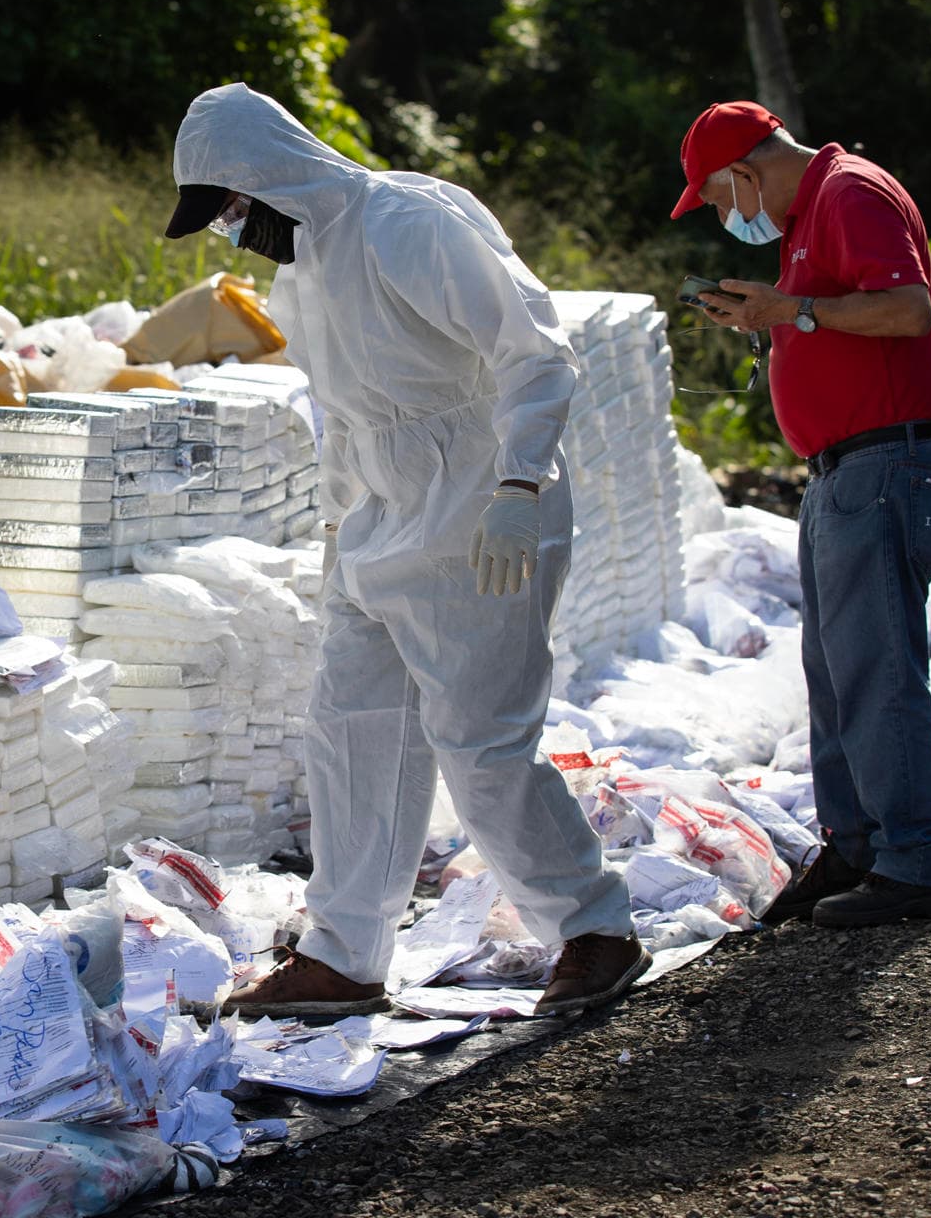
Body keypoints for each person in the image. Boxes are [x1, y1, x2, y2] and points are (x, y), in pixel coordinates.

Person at [163, 83, 647, 1018]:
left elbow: (535, 354)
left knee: (480, 739)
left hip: (480, 504)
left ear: (269, 174)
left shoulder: (405, 223)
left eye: (229, 205)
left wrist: (520, 484)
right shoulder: (302, 274)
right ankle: (345, 955)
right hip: (380, 520)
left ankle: (598, 931)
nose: (232, 228)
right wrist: (342, 528)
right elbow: (345, 421)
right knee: (350, 728)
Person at [668, 100, 931, 927]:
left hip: (884, 463)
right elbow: (835, 318)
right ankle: (857, 844)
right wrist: (773, 317)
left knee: (876, 670)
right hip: (845, 470)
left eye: (721, 201)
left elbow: (907, 309)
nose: (729, 218)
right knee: (835, 672)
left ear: (744, 172)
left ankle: (916, 861)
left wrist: (791, 310)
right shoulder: (809, 213)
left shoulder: (849, 195)